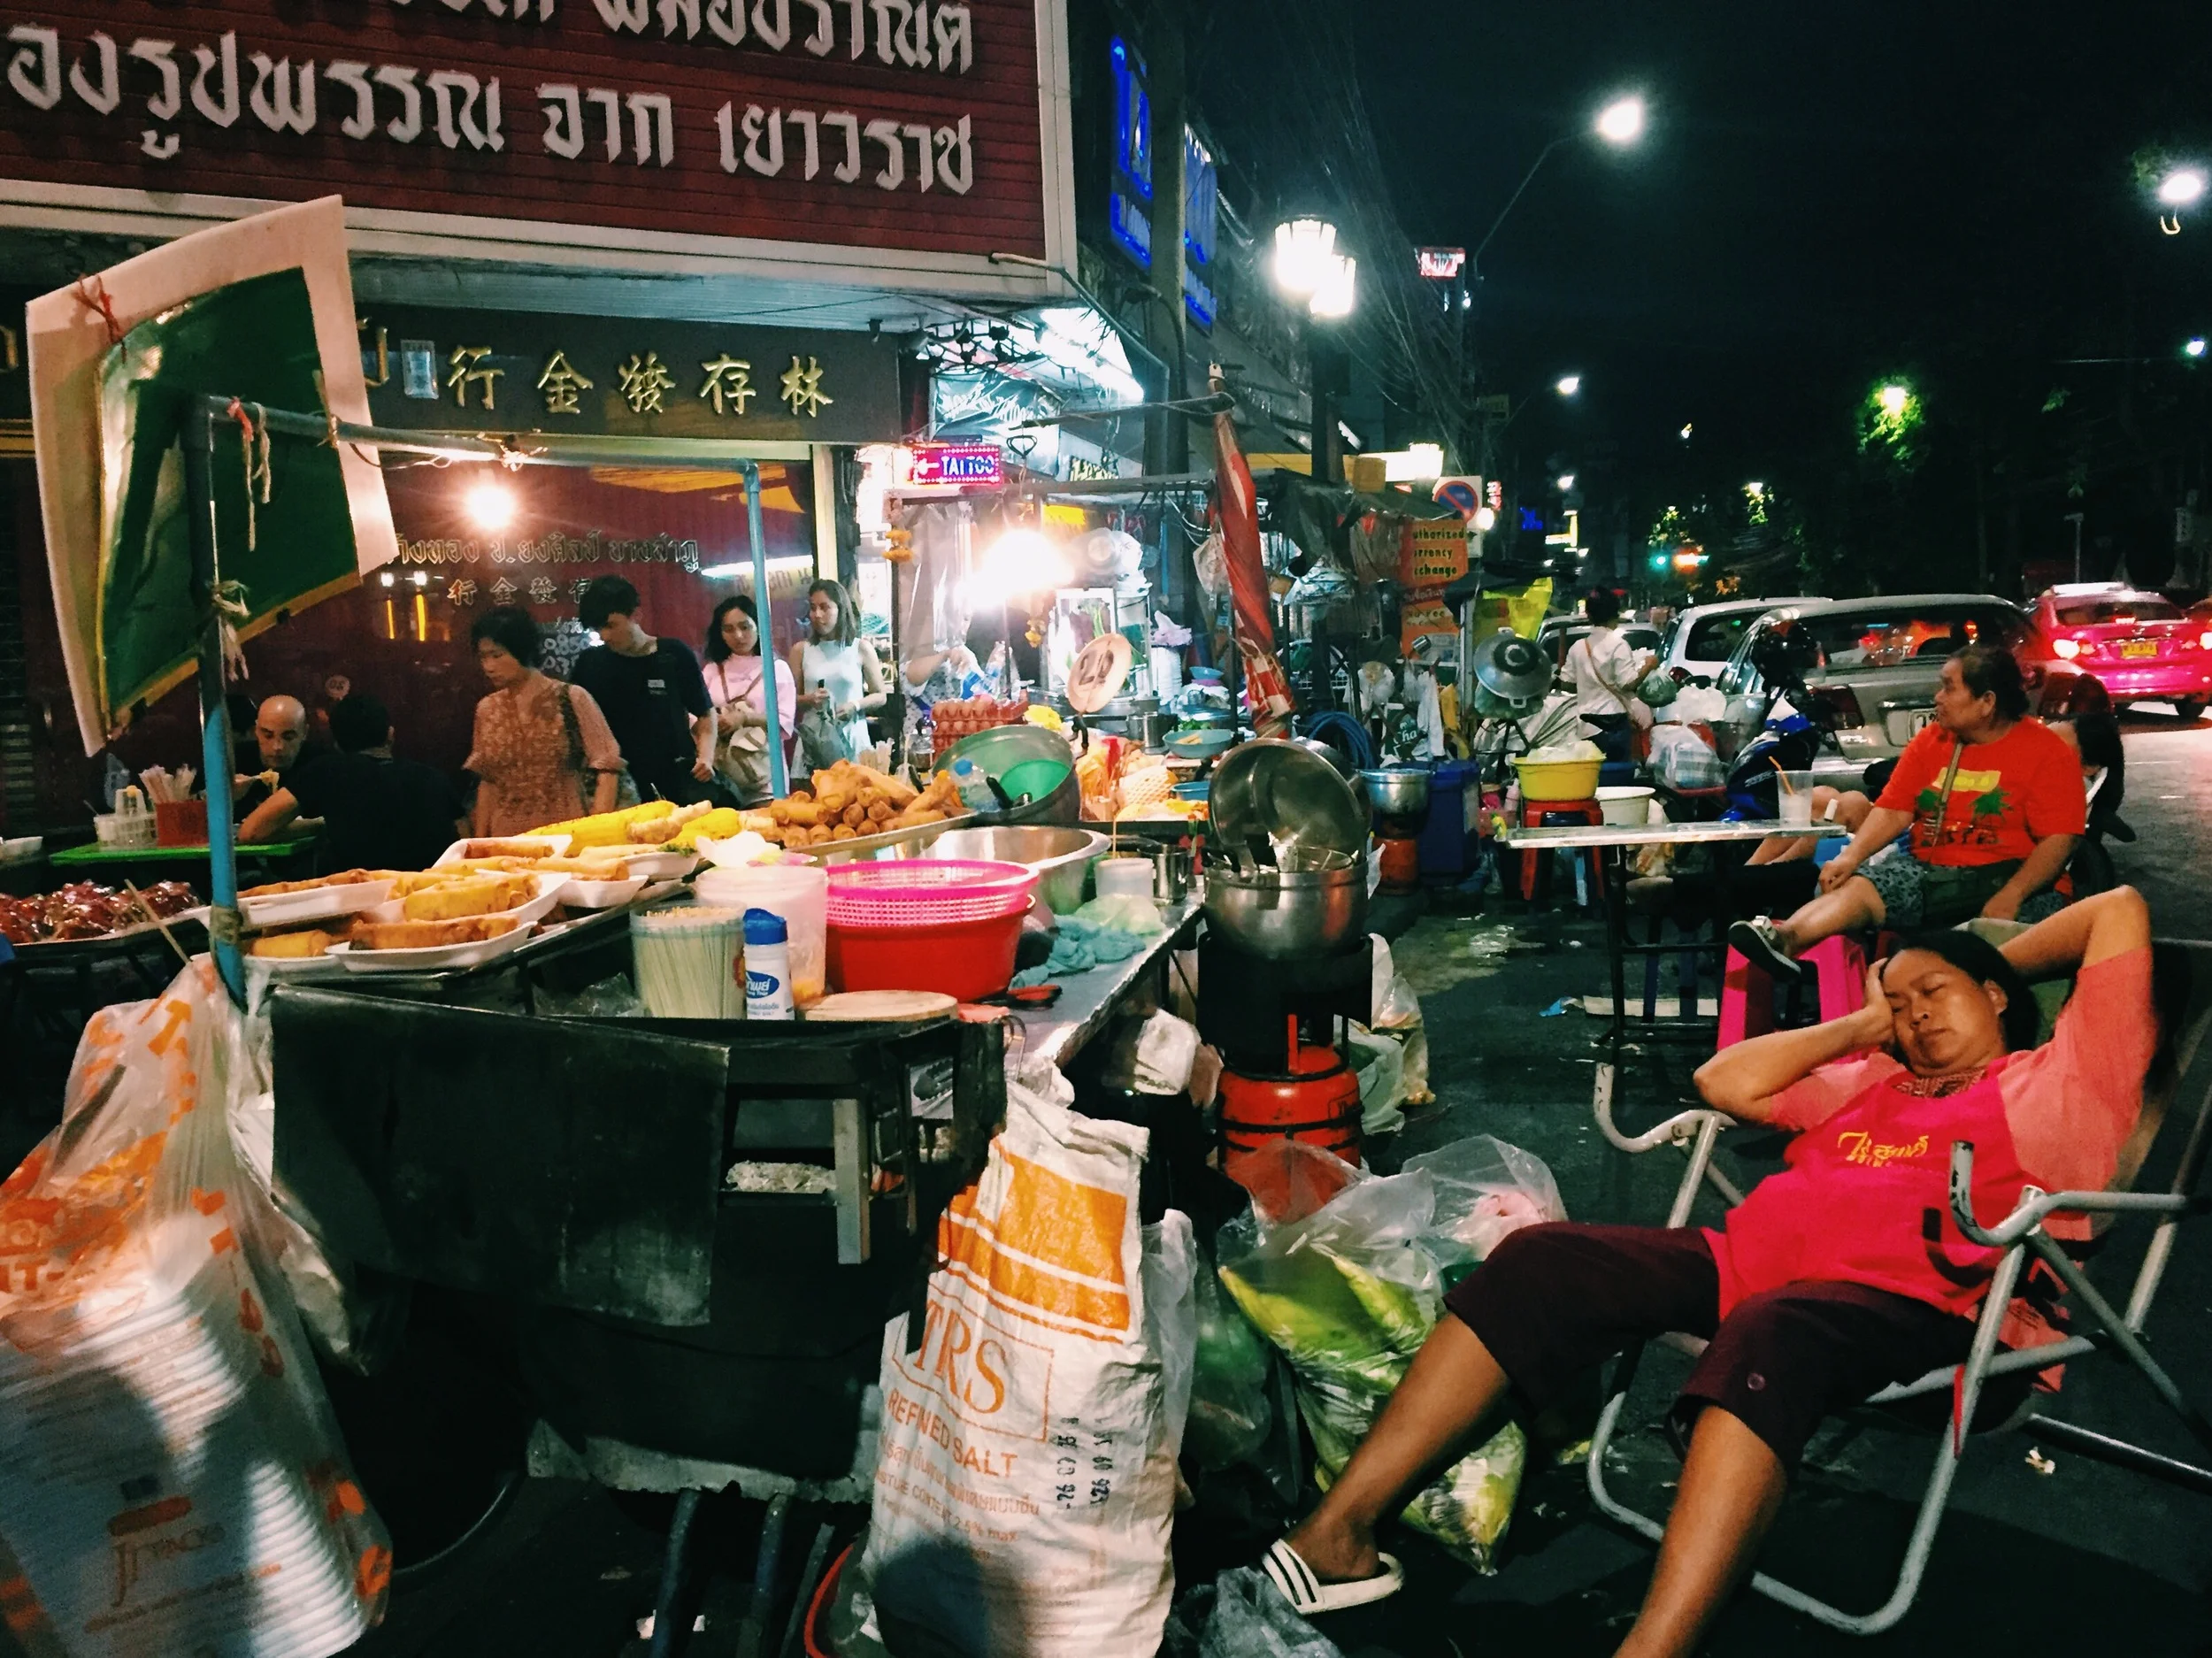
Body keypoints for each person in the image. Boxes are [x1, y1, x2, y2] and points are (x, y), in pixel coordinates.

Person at [1267, 886, 2156, 1655]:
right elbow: (1723, 1078)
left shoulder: (2060, 1080)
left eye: (1937, 994)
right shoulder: (1877, 1080)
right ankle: (1335, 1533)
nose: (1916, 1011)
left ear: (2000, 995)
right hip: (1750, 1267)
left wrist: (1964, 948)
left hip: (1931, 1312)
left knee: (1774, 1328)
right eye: (1901, 999)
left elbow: (2117, 910)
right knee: (1541, 1258)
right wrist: (1865, 1019)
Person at [1730, 645, 2086, 981]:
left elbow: (2060, 841)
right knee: (1862, 885)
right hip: (1933, 874)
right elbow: (1893, 809)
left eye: (1949, 688)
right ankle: (1786, 939)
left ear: (1986, 702)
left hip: (2016, 879)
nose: (1938, 698)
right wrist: (1850, 857)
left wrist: (2013, 894)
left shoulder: (2046, 752)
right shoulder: (1934, 740)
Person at [236, 693, 466, 871]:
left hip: (363, 904)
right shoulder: (434, 777)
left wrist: (321, 824)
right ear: (390, 735)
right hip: (435, 895)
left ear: (337, 744)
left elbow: (251, 831)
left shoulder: (326, 770)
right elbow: (466, 844)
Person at [465, 606, 623, 837]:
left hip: (568, 835)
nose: (488, 667)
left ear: (523, 650)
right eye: (483, 657)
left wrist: (596, 833)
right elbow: (488, 782)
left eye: (497, 655)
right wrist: (480, 843)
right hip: (507, 840)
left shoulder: (571, 697)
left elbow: (608, 768)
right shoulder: (487, 709)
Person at [570, 575, 718, 805]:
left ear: (636, 615)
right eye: (599, 628)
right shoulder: (590, 664)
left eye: (611, 625)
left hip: (674, 780)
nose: (604, 635)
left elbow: (705, 713)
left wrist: (706, 757)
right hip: (615, 786)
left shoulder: (673, 655)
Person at [702, 594, 797, 806]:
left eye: (745, 627)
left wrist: (745, 718)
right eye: (728, 629)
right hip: (721, 778)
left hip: (766, 778)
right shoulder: (711, 671)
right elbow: (693, 718)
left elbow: (785, 722)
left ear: (759, 626)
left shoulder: (776, 669)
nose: (738, 635)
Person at [789, 578, 886, 762]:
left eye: (825, 607)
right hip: (814, 743)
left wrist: (854, 705)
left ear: (840, 609)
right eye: (812, 608)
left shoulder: (861, 648)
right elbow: (788, 701)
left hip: (853, 738)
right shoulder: (801, 650)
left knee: (858, 789)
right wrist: (810, 699)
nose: (817, 614)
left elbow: (881, 695)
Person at [1567, 588, 1657, 764]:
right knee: (1617, 774)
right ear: (1615, 615)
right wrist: (1649, 666)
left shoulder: (1577, 647)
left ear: (1589, 616)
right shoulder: (1618, 645)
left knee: (1593, 773)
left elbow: (1567, 684)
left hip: (1586, 723)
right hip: (1614, 721)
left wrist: (1587, 684)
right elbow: (1628, 683)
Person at [232, 694, 326, 816]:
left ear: (304, 733)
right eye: (268, 735)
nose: (277, 747)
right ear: (256, 730)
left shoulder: (321, 765)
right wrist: (225, 797)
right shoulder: (233, 760)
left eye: (288, 737)